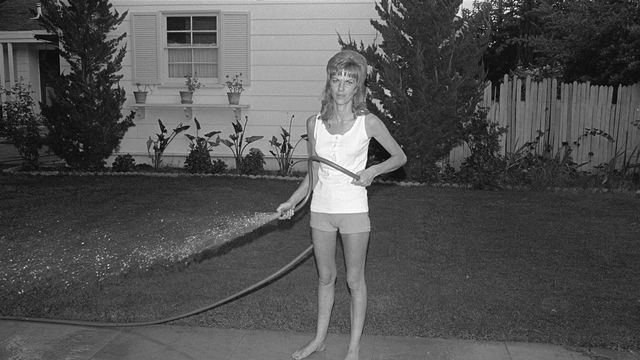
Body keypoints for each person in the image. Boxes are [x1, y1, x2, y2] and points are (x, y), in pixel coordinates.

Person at [276, 49, 407, 360]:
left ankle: (353, 348)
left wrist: (373, 171)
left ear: (358, 86)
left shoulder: (368, 122)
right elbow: (314, 173)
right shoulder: (314, 123)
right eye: (336, 79)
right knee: (325, 277)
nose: (341, 87)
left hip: (353, 212)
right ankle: (319, 340)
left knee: (353, 280)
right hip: (321, 211)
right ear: (329, 83)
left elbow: (400, 157)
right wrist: (292, 201)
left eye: (349, 81)